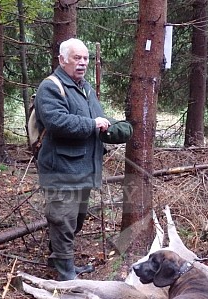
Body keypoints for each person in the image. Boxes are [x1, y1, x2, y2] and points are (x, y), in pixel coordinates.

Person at [34, 38, 132, 281]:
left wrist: (112, 128)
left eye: (85, 58)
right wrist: (92, 124)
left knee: (75, 220)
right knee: (62, 219)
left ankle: (57, 260)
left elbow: (98, 118)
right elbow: (56, 122)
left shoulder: (85, 88)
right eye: (77, 58)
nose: (82, 63)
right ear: (62, 60)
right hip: (60, 168)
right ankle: (66, 276)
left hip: (84, 169)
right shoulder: (51, 87)